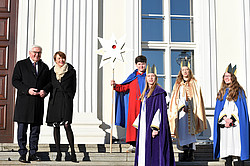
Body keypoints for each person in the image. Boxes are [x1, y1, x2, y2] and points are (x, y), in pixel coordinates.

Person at [12, 45, 50, 163]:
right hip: (24, 102)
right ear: (29, 53)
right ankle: (22, 153)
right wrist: (27, 89)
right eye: (34, 52)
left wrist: (45, 91)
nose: (36, 55)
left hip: (37, 103)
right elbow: (15, 81)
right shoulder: (21, 64)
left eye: (39, 53)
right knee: (22, 130)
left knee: (35, 131)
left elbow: (49, 83)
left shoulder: (44, 67)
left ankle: (33, 153)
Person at [133, 64, 176, 166]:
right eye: (148, 76)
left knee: (154, 151)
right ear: (146, 78)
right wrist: (138, 122)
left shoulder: (159, 92)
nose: (150, 78)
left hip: (153, 128)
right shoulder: (145, 93)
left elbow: (159, 111)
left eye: (152, 76)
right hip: (144, 126)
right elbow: (144, 111)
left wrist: (155, 128)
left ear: (156, 78)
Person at [168, 59, 207, 161]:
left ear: (189, 71)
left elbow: (197, 98)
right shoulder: (178, 84)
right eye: (183, 70)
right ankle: (185, 152)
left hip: (192, 112)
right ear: (180, 72)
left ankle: (191, 153)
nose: (185, 72)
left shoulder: (195, 83)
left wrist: (192, 107)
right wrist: (181, 106)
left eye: (187, 70)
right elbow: (175, 97)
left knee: (191, 133)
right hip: (181, 113)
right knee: (183, 132)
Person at [213, 64, 249, 166]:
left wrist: (232, 119)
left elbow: (241, 110)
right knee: (227, 150)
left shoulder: (239, 92)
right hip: (225, 125)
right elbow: (219, 110)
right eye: (225, 76)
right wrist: (225, 119)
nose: (226, 78)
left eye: (229, 76)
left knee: (237, 148)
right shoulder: (221, 92)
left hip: (236, 125)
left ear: (233, 78)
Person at [45, 51, 77, 162]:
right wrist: (43, 92)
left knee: (67, 125)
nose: (61, 60)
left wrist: (69, 97)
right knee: (56, 126)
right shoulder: (51, 72)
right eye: (59, 58)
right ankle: (58, 153)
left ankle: (73, 153)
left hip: (66, 100)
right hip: (55, 100)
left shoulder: (71, 71)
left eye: (63, 58)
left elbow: (74, 87)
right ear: (55, 60)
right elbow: (49, 85)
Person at [111, 55, 147, 152]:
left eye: (142, 64)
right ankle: (133, 145)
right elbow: (123, 87)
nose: (141, 66)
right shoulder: (133, 77)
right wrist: (115, 85)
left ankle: (144, 144)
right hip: (133, 105)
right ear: (136, 65)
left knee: (144, 123)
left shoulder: (149, 77)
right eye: (139, 64)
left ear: (145, 64)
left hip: (144, 105)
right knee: (133, 124)